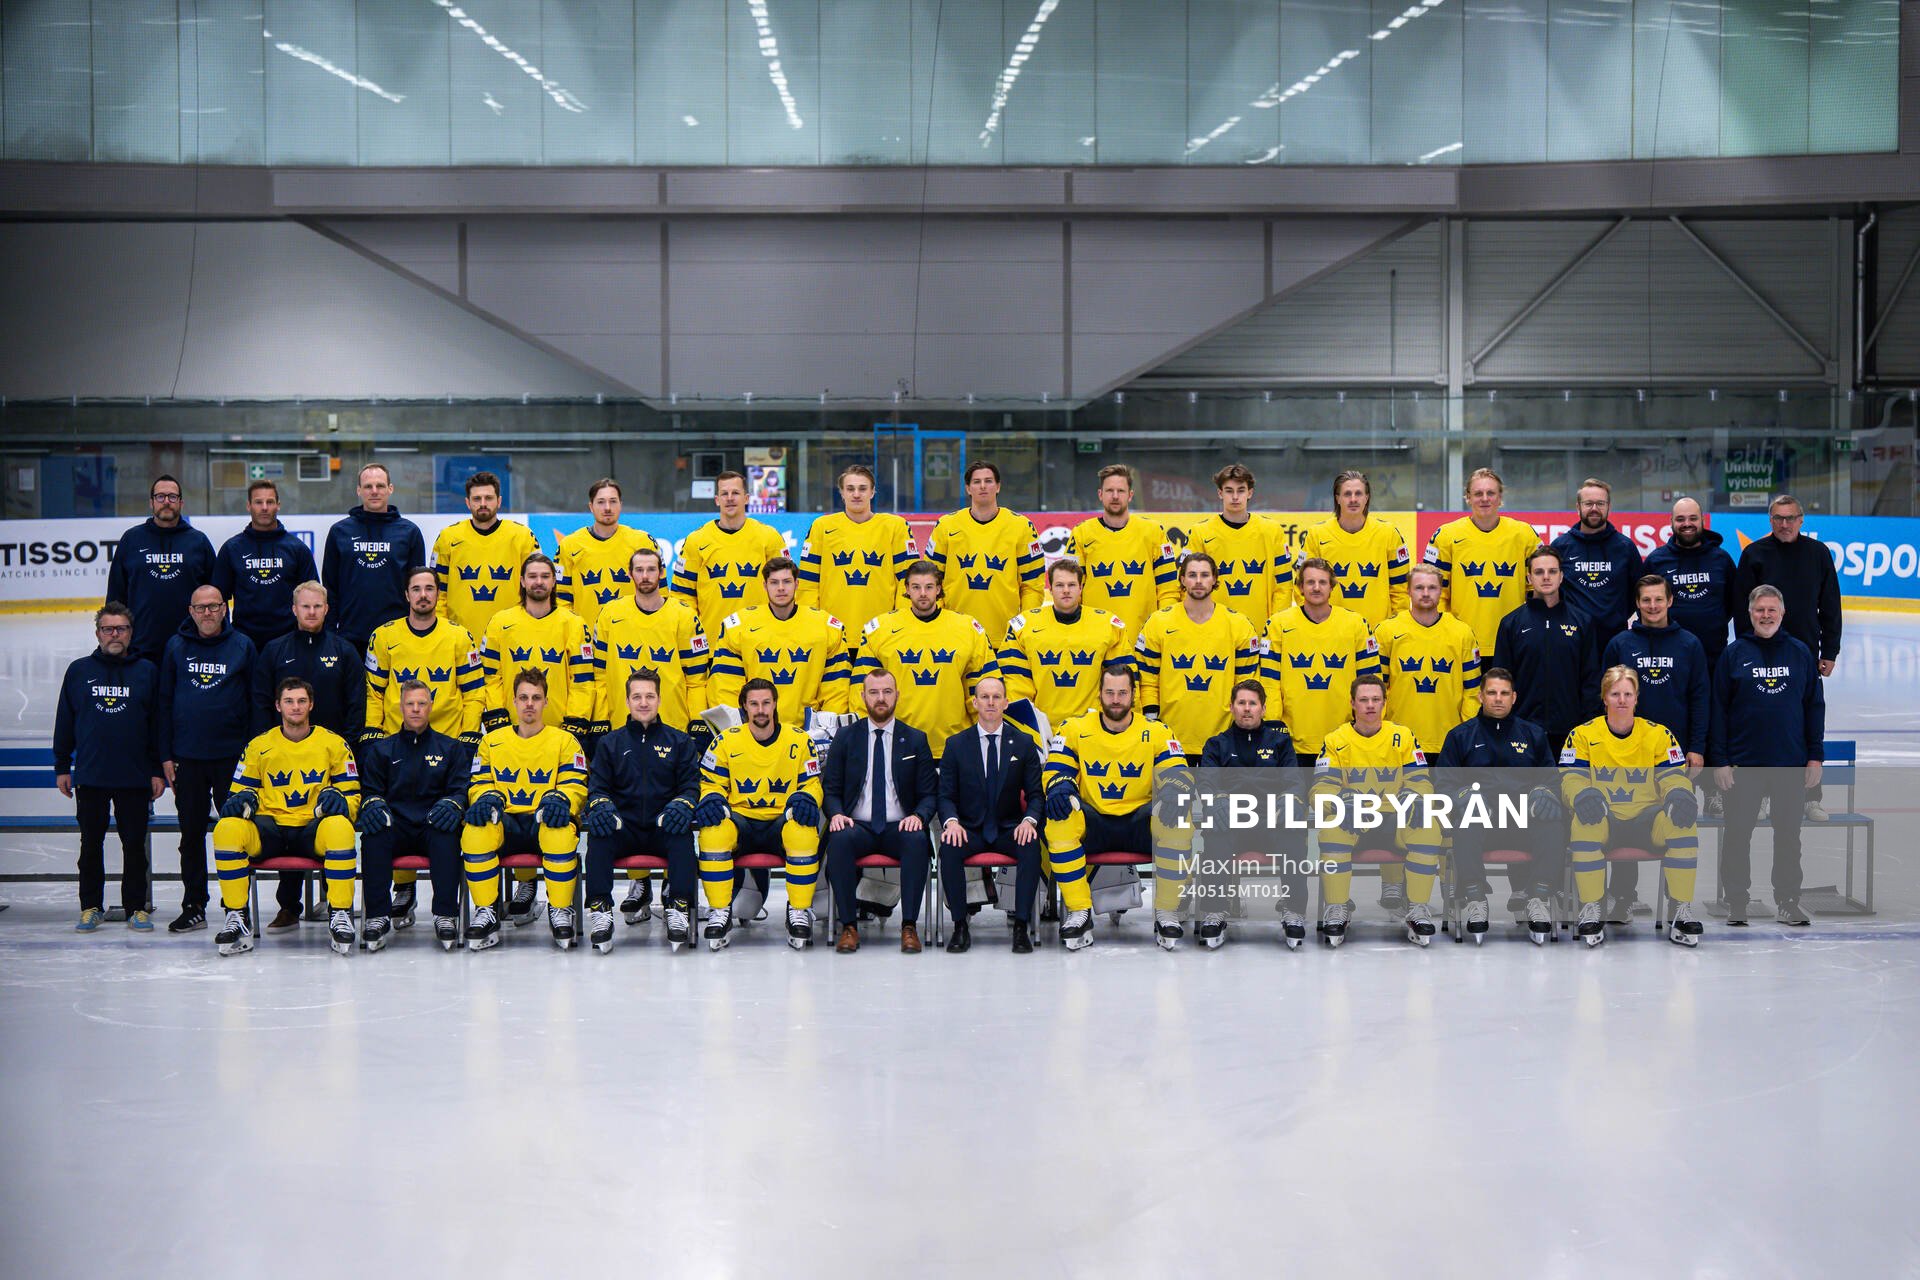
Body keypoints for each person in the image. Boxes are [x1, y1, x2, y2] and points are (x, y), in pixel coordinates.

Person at [590, 544, 710, 924]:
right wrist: (598, 720)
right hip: (622, 727)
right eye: (638, 569)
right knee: (629, 804)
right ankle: (638, 886)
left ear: (662, 573)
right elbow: (598, 675)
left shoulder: (684, 615)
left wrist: (697, 724)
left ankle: (674, 893)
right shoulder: (610, 614)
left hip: (673, 731)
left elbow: (697, 678)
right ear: (630, 575)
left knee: (671, 811)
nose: (645, 576)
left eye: (651, 569)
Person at [1042, 665, 1189, 952]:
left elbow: (1178, 772)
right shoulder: (1074, 728)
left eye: (1122, 692)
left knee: (1179, 818)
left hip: (1139, 822)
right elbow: (1056, 768)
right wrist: (1060, 785)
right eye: (1109, 692)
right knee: (1060, 818)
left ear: (1134, 695)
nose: (1116, 699)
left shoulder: (1157, 731)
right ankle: (1079, 911)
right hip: (1095, 822)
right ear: (1099, 694)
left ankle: (1166, 912)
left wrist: (1174, 791)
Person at [210, 677, 361, 956]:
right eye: (289, 701)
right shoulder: (259, 745)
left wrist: (340, 801)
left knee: (340, 826)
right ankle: (236, 915)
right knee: (227, 828)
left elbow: (352, 796)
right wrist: (243, 800)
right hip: (271, 828)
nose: (296, 707)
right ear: (278, 706)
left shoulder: (334, 743)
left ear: (311, 704)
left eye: (302, 701)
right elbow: (236, 795)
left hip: (312, 828)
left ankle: (340, 912)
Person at [1559, 666, 1702, 948]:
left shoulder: (1659, 734)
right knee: (1584, 822)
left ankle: (1680, 909)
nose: (1622, 700)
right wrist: (1582, 795)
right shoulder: (1582, 734)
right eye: (1615, 694)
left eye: (1627, 694)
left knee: (1682, 821)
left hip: (1647, 820)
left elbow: (1673, 776)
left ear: (1637, 698)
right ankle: (1592, 908)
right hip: (1606, 818)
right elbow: (1570, 778)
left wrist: (1679, 794)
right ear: (1605, 698)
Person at [253, 582, 366, 928]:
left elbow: (356, 704)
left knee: (333, 823)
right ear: (294, 610)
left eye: (318, 606)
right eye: (305, 606)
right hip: (284, 757)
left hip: (332, 758)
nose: (312, 612)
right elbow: (261, 703)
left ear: (327, 609)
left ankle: (336, 904)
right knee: (287, 821)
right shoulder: (275, 650)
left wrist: (347, 749)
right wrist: (270, 748)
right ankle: (289, 906)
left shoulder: (344, 651)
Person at [1712, 585, 1825, 927]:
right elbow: (1718, 710)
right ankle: (1736, 902)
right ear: (1749, 614)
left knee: (1788, 837)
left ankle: (1788, 902)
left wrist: (1815, 757)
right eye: (1759, 610)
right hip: (1743, 766)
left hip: (1790, 765)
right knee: (1737, 836)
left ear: (1782, 613)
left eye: (1771, 609)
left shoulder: (1800, 653)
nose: (1765, 615)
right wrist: (1720, 760)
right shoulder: (1734, 654)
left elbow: (1814, 706)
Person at [1372, 563, 1481, 913]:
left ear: (1441, 591)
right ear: (1408, 591)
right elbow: (1376, 689)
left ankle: (1448, 887)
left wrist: (1465, 736)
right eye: (1419, 587)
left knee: (1445, 820)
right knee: (1395, 812)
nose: (1425, 594)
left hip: (1446, 744)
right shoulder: (1388, 631)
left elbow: (1472, 691)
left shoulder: (1461, 632)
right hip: (1398, 744)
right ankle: (1393, 885)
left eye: (1432, 588)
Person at [1602, 575, 1710, 921]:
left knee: (1676, 822)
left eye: (1658, 599)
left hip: (1672, 757)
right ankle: (1623, 898)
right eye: (1646, 600)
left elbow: (1700, 698)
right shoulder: (1620, 644)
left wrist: (1696, 747)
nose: (1652, 606)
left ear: (1670, 601)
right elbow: (1606, 697)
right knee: (1625, 821)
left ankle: (1677, 902)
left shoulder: (1689, 644)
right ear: (1637, 603)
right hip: (1626, 753)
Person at [459, 669, 589, 951]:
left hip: (542, 821)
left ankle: (560, 909)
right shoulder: (490, 741)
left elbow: (576, 784)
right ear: (514, 702)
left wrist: (561, 799)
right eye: (524, 697)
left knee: (559, 830)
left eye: (536, 698)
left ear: (546, 702)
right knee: (475, 831)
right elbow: (478, 782)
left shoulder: (565, 741)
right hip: (506, 823)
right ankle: (486, 910)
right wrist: (486, 797)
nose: (530, 704)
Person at [54, 603, 164, 932]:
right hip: (92, 775)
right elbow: (65, 720)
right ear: (98, 633)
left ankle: (136, 908)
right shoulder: (78, 671)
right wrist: (62, 765)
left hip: (134, 776)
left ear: (131, 633)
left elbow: (157, 725)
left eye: (121, 629)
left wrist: (156, 769)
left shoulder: (147, 671)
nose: (115, 635)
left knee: (134, 847)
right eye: (108, 629)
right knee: (91, 845)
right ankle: (90, 906)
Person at [1731, 493, 1841, 820]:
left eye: (1790, 518)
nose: (1784, 524)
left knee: (1805, 722)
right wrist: (1746, 650)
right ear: (1770, 520)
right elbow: (1742, 607)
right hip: (1761, 655)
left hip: (1804, 655)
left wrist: (1830, 650)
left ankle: (1810, 797)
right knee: (1764, 723)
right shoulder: (1754, 554)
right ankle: (1763, 796)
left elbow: (1830, 604)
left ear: (1801, 520)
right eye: (1778, 518)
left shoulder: (1818, 554)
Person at [693, 678, 826, 951]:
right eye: (754, 704)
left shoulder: (800, 740)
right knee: (713, 832)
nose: (761, 710)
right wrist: (712, 798)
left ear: (775, 704)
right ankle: (720, 910)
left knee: (803, 833)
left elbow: (812, 783)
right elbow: (710, 783)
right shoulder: (725, 741)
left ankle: (799, 910)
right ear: (744, 707)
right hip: (741, 820)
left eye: (766, 703)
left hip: (782, 819)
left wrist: (806, 798)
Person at [157, 585, 260, 934]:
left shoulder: (243, 646)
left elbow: (255, 703)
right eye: (200, 608)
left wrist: (253, 756)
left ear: (224, 608)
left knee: (237, 833)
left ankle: (237, 907)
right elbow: (164, 703)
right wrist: (166, 754)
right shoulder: (176, 647)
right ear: (190, 611)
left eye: (214, 606)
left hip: (232, 759)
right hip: (188, 759)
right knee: (190, 836)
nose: (207, 613)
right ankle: (194, 905)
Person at [1312, 673, 1443, 947]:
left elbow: (1421, 781)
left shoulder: (1403, 736)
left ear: (1385, 702)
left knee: (1428, 826)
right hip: (1355, 821)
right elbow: (1320, 788)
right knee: (1331, 827)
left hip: (1394, 821)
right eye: (1363, 700)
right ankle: (1337, 907)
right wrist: (1339, 801)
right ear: (1352, 703)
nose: (1370, 705)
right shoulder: (1335, 739)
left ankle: (1417, 908)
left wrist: (1415, 796)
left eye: (1376, 699)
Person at [1434, 667, 1561, 945]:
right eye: (1491, 692)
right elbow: (1443, 785)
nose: (1498, 699)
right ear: (1480, 696)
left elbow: (1552, 780)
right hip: (1483, 822)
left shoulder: (1533, 734)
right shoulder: (1460, 736)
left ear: (1514, 697)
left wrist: (1543, 792)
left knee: (1552, 819)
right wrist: (1462, 796)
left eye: (1504, 693)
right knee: (1468, 815)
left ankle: (1538, 898)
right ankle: (1475, 899)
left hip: (1523, 821)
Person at [581, 668, 701, 953]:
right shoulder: (610, 743)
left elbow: (691, 785)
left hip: (663, 825)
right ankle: (600, 909)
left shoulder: (680, 742)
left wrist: (682, 804)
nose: (643, 703)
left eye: (649, 696)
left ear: (659, 699)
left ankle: (679, 907)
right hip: (624, 827)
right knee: (599, 835)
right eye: (637, 697)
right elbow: (597, 787)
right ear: (627, 701)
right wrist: (602, 805)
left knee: (682, 836)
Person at [823, 670, 938, 954]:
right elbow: (831, 789)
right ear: (863, 696)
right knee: (838, 840)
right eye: (874, 692)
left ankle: (909, 926)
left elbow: (929, 794)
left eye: (887, 691)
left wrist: (919, 816)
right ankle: (849, 926)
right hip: (857, 825)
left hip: (900, 825)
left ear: (897, 695)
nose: (881, 698)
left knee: (917, 841)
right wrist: (836, 814)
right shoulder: (845, 737)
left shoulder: (915, 739)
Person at [354, 680, 473, 951]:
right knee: (373, 835)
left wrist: (454, 803)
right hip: (395, 826)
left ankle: (445, 914)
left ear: (431, 706)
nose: (416, 709)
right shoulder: (381, 750)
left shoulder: (450, 748)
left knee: (447, 834)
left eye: (421, 703)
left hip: (432, 824)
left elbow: (460, 789)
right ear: (401, 707)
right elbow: (371, 790)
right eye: (410, 704)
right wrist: (373, 805)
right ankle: (377, 916)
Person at [1196, 681, 1307, 950]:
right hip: (1231, 820)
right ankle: (1215, 910)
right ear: (1231, 707)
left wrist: (1290, 800)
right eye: (1241, 703)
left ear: (1263, 709)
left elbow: (1294, 780)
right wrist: (1215, 802)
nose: (1247, 709)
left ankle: (1293, 910)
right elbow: (1207, 782)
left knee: (1294, 831)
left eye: (1253, 703)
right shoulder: (1216, 744)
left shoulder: (1280, 742)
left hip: (1271, 820)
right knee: (1214, 830)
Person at [938, 676, 1045, 954]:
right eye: (984, 697)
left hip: (1009, 827)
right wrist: (951, 822)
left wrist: (1029, 821)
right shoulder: (956, 745)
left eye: (997, 697)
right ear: (974, 702)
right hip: (969, 829)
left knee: (1030, 844)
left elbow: (1036, 794)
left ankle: (1021, 926)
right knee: (948, 846)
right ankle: (960, 925)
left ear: (1006, 703)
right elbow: (945, 795)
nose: (990, 702)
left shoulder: (1023, 743)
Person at [857, 560, 997, 759]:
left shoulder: (967, 628)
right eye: (916, 587)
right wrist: (867, 739)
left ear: (938, 589)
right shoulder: (880, 630)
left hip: (955, 745)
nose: (923, 593)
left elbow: (984, 689)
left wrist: (989, 736)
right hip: (898, 745)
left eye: (929, 587)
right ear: (906, 589)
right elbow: (862, 690)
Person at [1134, 551, 1261, 759]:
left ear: (1215, 579)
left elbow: (1246, 684)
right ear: (1182, 579)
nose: (1199, 581)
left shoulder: (1239, 625)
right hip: (1169, 740)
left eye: (1205, 575)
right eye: (1192, 575)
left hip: (1224, 741)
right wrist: (1153, 724)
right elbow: (1147, 681)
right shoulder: (1158, 623)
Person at [1259, 557, 1380, 764]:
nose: (1316, 588)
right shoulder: (1278, 624)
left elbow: (1371, 681)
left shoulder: (1356, 624)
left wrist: (1365, 727)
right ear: (1300, 587)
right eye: (1310, 582)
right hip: (1292, 742)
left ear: (1332, 587)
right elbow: (1269, 682)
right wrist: (1272, 727)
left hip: (1345, 739)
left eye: (1322, 582)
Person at [995, 557, 1131, 740]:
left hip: (1094, 729)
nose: (1066, 590)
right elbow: (1015, 684)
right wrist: (1027, 728)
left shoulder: (1108, 625)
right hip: (1041, 731)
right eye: (1059, 585)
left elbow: (1123, 682)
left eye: (1072, 585)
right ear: (1050, 589)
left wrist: (1112, 726)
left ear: (1081, 588)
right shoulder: (1023, 626)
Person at [708, 556, 853, 729]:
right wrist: (738, 730)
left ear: (797, 584)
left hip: (810, 732)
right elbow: (725, 684)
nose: (781, 588)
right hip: (754, 729)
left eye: (787, 581)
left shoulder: (825, 626)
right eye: (774, 582)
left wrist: (826, 729)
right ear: (765, 585)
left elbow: (836, 687)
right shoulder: (739, 627)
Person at [1422, 467, 1542, 657]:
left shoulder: (1525, 534)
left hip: (1514, 642)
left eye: (1490, 493)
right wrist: (1443, 632)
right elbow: (1434, 592)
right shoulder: (1445, 536)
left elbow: (1537, 591)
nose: (1484, 499)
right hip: (1461, 643)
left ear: (1500, 497)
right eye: (1478, 493)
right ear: (1468, 497)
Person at [1491, 546, 1599, 753]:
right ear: (1529, 578)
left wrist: (1587, 725)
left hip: (1570, 731)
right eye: (1539, 572)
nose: (1546, 577)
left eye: (1552, 571)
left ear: (1561, 576)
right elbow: (1501, 681)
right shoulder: (1511, 624)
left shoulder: (1582, 622)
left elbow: (1591, 680)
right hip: (1522, 731)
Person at [923, 461, 1045, 643]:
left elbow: (1033, 586)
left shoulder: (1022, 527)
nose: (982, 486)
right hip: (955, 637)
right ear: (968, 488)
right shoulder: (946, 526)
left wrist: (1023, 627)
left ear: (998, 486)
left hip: (1005, 639)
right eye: (976, 482)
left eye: (988, 481)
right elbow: (930, 580)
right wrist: (940, 622)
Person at [363, 567, 486, 747]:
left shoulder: (460, 637)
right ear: (407, 595)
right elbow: (374, 693)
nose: (423, 595)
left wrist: (469, 735)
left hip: (448, 744)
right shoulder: (383, 636)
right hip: (396, 743)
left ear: (438, 594)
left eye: (429, 589)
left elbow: (473, 693)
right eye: (416, 589)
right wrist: (373, 731)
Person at [478, 553, 594, 737]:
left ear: (554, 581)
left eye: (545, 576)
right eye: (532, 576)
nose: (539, 582)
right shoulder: (499, 622)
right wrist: (498, 718)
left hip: (559, 734)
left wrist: (575, 722)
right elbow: (490, 677)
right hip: (512, 732)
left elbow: (582, 681)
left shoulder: (574, 624)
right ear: (522, 581)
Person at [105, 474, 216, 663]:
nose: (166, 502)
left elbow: (215, 596)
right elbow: (116, 596)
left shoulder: (198, 541)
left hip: (190, 646)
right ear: (151, 502)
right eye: (160, 496)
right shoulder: (131, 540)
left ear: (181, 503)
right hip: (141, 648)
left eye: (172, 497)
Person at [1065, 464, 1180, 645]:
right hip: (1095, 640)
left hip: (1143, 639)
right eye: (1109, 491)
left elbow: (1169, 589)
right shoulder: (1081, 534)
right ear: (1100, 494)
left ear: (1130, 495)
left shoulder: (1153, 532)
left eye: (1121, 491)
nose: (1115, 496)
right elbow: (1070, 589)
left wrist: (1163, 629)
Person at [797, 464, 916, 638]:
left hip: (882, 634)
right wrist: (811, 625)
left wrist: (901, 625)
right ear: (842, 493)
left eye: (862, 488)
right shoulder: (821, 527)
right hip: (833, 635)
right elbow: (808, 583)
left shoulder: (895, 527)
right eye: (850, 489)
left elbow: (908, 582)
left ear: (872, 492)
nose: (856, 494)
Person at [671, 469, 790, 642]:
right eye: (724, 494)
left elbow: (787, 589)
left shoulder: (769, 537)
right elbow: (682, 595)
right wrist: (692, 634)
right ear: (717, 500)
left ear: (746, 498)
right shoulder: (696, 541)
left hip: (761, 643)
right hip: (712, 643)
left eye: (735, 493)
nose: (730, 498)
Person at [321, 462, 427, 652]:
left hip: (397, 635)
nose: (374, 491)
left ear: (390, 489)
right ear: (359, 490)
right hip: (350, 636)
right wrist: (329, 632)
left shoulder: (409, 532)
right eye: (368, 486)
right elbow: (330, 587)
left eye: (380, 485)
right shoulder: (339, 532)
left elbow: (417, 587)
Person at [212, 479, 318, 652]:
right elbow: (218, 599)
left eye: (270, 502)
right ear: (248, 506)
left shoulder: (297, 549)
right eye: (258, 502)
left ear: (278, 505)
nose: (264, 507)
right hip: (244, 642)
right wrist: (226, 637)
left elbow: (313, 597)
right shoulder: (232, 549)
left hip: (289, 641)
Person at [1184, 464, 1296, 623]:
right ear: (1220, 493)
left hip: (1261, 628)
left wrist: (1276, 625)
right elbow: (1187, 585)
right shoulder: (1200, 533)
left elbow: (1284, 586)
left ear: (1250, 493)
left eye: (1241, 490)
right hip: (1214, 628)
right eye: (1229, 491)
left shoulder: (1272, 531)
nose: (1235, 497)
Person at [432, 470, 538, 639]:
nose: (483, 503)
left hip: (512, 637)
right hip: (460, 639)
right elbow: (438, 593)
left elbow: (537, 589)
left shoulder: (522, 536)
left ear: (499, 501)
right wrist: (442, 631)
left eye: (488, 498)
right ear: (467, 502)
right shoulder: (448, 538)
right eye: (477, 499)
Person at [1301, 470, 1411, 627]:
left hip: (1377, 633)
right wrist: (1314, 626)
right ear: (1337, 498)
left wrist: (1397, 628)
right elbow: (1302, 587)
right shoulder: (1316, 535)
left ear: (1367, 497)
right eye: (1347, 494)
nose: (1353, 499)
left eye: (1358, 493)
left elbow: (1400, 590)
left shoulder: (1389, 534)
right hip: (1331, 632)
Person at [555, 477, 659, 633]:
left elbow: (660, 594)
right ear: (591, 507)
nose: (608, 508)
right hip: (586, 639)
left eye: (613, 501)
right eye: (601, 502)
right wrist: (573, 633)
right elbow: (560, 598)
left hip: (633, 637)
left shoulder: (643, 542)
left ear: (621, 505)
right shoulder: (569, 545)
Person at [1644, 497, 1738, 667]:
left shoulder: (1721, 559)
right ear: (1671, 522)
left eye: (1693, 518)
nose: (1687, 524)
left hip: (1714, 656)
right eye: (1680, 519)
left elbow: (1733, 603)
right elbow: (1643, 605)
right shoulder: (1656, 561)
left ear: (1702, 520)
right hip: (1668, 656)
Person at [1548, 477, 1642, 648]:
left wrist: (1615, 617)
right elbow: (1550, 592)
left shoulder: (1625, 547)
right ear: (1578, 507)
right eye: (1588, 503)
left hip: (1614, 640)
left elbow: (1638, 594)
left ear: (1609, 507)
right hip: (1571, 640)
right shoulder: (1560, 547)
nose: (1594, 509)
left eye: (1600, 503)